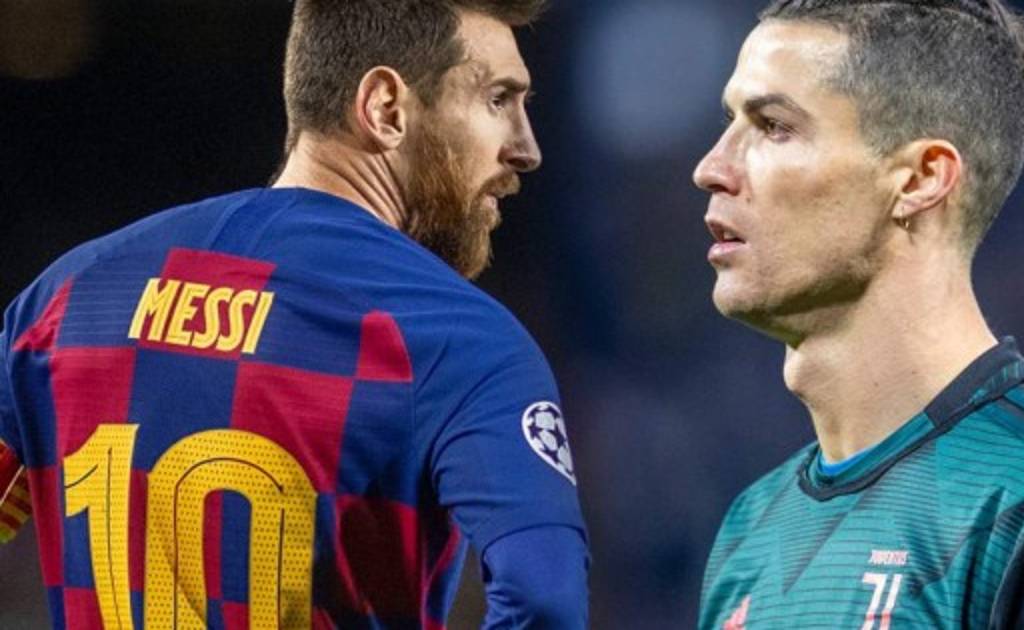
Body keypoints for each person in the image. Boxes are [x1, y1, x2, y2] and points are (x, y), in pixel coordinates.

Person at [0, 1, 589, 628]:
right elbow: (543, 599)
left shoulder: (68, 295)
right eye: (498, 100)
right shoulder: (457, 338)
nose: (526, 149)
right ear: (386, 108)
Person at [692, 0, 1024, 628]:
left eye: (774, 126)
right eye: (730, 121)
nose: (711, 168)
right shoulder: (752, 530)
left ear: (920, 180)